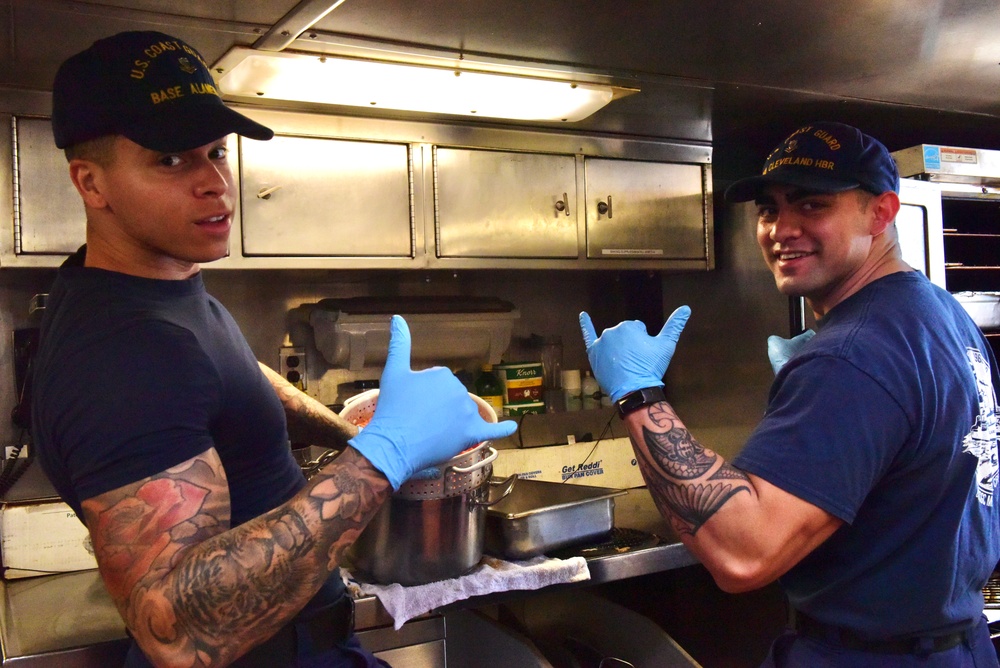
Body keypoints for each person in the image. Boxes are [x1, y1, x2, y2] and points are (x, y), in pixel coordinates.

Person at [30, 31, 517, 668]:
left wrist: (349, 432)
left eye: (216, 152)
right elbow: (175, 629)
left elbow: (228, 375)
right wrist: (382, 457)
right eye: (170, 160)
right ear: (91, 184)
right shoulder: (123, 353)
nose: (214, 183)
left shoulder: (150, 289)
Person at [579, 121, 1000, 667]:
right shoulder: (938, 313)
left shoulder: (852, 355)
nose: (781, 229)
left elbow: (744, 554)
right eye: (769, 209)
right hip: (955, 645)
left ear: (881, 213)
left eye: (811, 205)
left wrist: (638, 395)